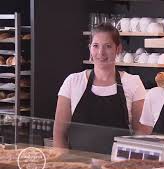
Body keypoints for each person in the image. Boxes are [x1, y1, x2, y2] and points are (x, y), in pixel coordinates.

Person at [53, 23, 146, 152]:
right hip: (79, 165)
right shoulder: (72, 82)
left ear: (118, 49)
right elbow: (59, 135)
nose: (101, 52)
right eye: (96, 46)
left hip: (118, 166)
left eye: (108, 46)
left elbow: (141, 134)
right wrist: (65, 164)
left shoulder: (133, 83)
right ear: (90, 48)